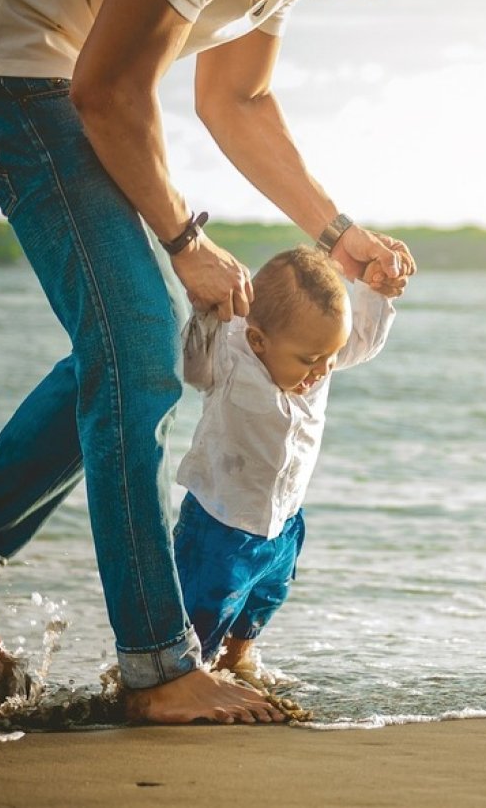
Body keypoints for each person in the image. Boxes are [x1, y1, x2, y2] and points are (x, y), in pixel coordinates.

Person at [0, 0, 416, 725]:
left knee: (135, 351)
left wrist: (337, 233)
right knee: (137, 350)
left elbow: (241, 98)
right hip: (2, 70)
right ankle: (158, 666)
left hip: (57, 74)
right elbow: (108, 91)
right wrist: (185, 243)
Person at [173, 246, 405, 696]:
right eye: (309, 360)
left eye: (330, 358)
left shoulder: (319, 352)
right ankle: (186, 680)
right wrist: (203, 311)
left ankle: (238, 662)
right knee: (202, 612)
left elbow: (363, 340)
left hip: (284, 522)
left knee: (266, 597)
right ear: (259, 340)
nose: (321, 372)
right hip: (219, 524)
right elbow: (189, 363)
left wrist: (376, 292)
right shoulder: (231, 352)